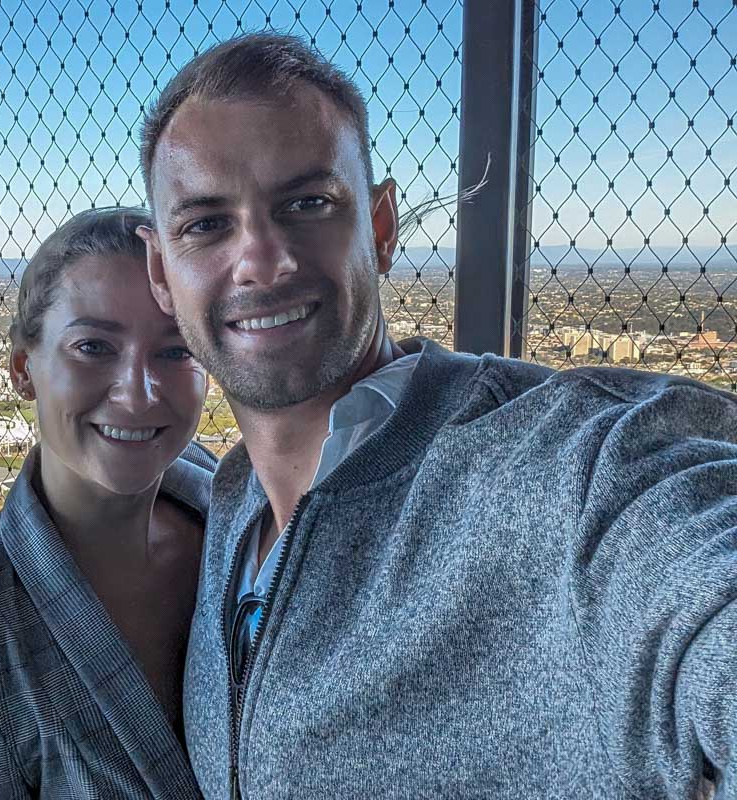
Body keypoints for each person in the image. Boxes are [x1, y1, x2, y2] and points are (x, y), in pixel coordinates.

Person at [137, 32, 736, 800]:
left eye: (308, 203)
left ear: (382, 228)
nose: (262, 259)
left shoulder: (561, 468)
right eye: (207, 224)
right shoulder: (228, 506)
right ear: (162, 271)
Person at [0, 207, 212, 799]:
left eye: (175, 349)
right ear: (22, 370)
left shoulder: (241, 513)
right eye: (93, 346)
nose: (137, 393)